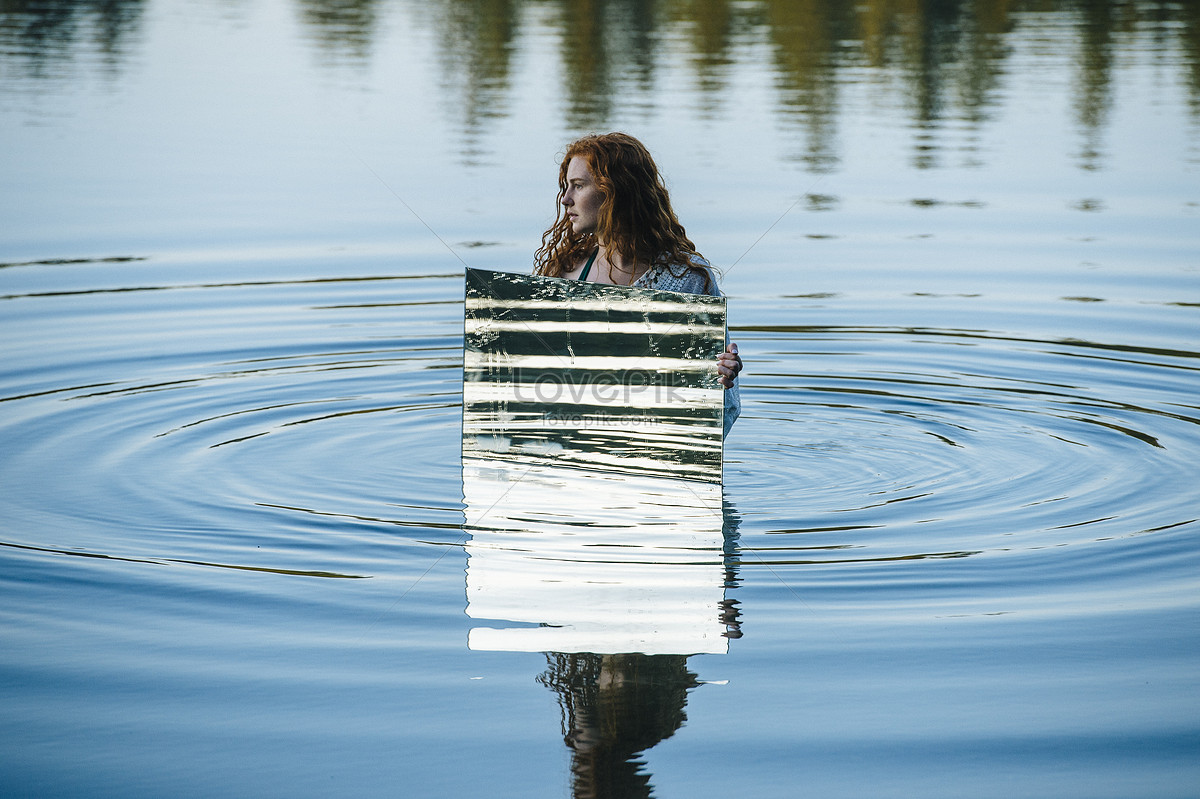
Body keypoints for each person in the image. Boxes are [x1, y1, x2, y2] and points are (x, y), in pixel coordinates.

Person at [533, 132, 742, 432]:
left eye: (578, 186)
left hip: (652, 453)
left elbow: (723, 408)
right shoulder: (564, 273)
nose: (565, 199)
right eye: (566, 187)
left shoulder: (685, 281)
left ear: (616, 191)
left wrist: (721, 376)